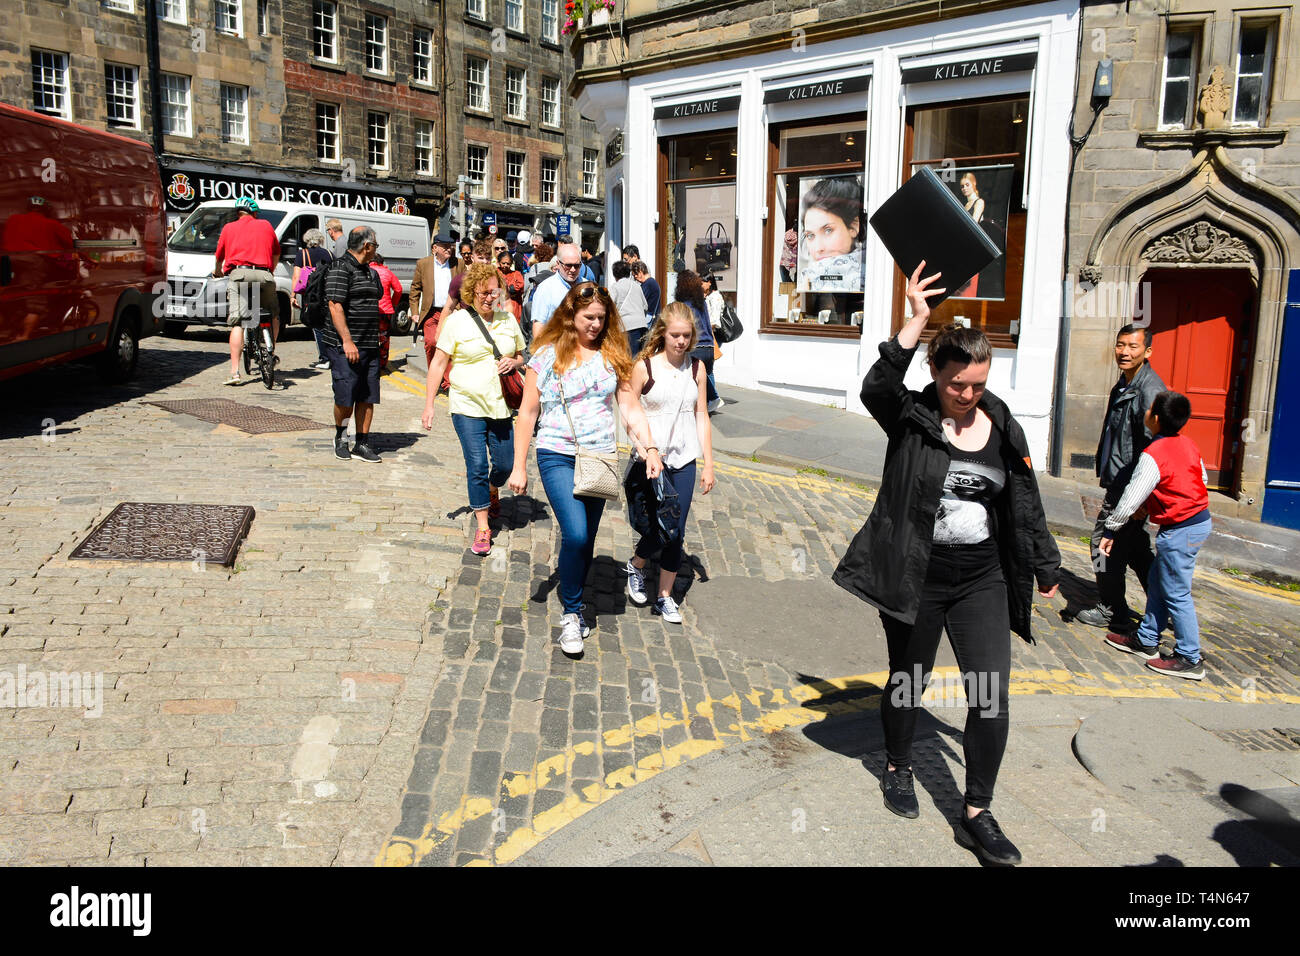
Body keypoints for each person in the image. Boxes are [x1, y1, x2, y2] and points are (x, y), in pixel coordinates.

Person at [832, 261, 1061, 866]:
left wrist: (1043, 565)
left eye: (977, 385)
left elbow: (1022, 496)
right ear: (935, 373)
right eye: (957, 384)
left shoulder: (1002, 420)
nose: (967, 395)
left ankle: (977, 812)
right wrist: (915, 322)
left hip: (981, 576)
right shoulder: (911, 415)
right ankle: (900, 764)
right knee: (909, 681)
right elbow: (876, 388)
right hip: (918, 574)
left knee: (991, 697)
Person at [506, 282, 660, 656]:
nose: (595, 324)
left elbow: (630, 407)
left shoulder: (612, 355)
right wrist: (518, 466)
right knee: (575, 535)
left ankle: (573, 588)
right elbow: (527, 413)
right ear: (571, 315)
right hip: (556, 452)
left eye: (601, 319)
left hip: (600, 457)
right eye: (588, 317)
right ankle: (572, 614)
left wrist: (649, 446)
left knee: (586, 540)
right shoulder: (544, 355)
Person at [1100, 391, 1212, 680]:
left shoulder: (1154, 454)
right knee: (1158, 582)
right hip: (1196, 522)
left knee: (1177, 592)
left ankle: (1190, 657)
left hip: (1181, 529)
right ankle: (1147, 639)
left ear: (1157, 419)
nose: (1147, 412)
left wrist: (1112, 527)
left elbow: (1130, 498)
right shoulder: (1187, 444)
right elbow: (1202, 479)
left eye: (1150, 409)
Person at [422, 263, 528, 556]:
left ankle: (494, 489)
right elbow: (439, 364)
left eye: (494, 292)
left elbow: (521, 355)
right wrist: (429, 404)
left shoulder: (508, 320)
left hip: (500, 405)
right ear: (471, 293)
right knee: (477, 465)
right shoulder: (457, 321)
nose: (489, 298)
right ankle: (483, 527)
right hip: (465, 403)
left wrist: (514, 363)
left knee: (504, 464)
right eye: (483, 293)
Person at [625, 302, 716, 623]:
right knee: (654, 527)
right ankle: (636, 564)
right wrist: (644, 448)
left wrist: (708, 462)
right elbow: (629, 415)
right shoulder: (645, 368)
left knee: (675, 529)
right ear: (662, 333)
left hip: (684, 459)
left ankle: (664, 596)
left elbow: (702, 414)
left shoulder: (697, 369)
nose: (680, 341)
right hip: (650, 460)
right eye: (675, 335)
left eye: (686, 336)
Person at [1078, 324, 1167, 632]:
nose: (1125, 352)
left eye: (1133, 346)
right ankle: (1165, 607)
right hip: (1121, 481)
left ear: (1147, 352)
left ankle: (1112, 609)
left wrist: (1141, 497)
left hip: (1129, 488)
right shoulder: (1126, 382)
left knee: (1101, 545)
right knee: (1137, 550)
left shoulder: (1149, 390)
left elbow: (1155, 446)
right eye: (1120, 345)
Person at [323, 226, 384, 463]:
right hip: (345, 345)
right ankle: (341, 437)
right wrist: (347, 341)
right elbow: (335, 305)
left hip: (370, 343)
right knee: (345, 395)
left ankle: (362, 442)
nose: (376, 249)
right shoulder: (340, 268)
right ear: (367, 246)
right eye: (375, 245)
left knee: (368, 395)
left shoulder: (371, 272)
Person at [212, 196, 280, 387]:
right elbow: (276, 252)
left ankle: (234, 372)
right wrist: (269, 272)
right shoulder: (266, 225)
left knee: (238, 322)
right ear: (254, 213)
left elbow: (219, 256)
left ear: (238, 213)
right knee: (273, 314)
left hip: (239, 274)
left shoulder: (228, 228)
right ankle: (270, 352)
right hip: (264, 274)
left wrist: (217, 271)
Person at [410, 235, 465, 390]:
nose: (449, 249)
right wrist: (415, 311)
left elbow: (466, 285)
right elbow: (415, 289)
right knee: (431, 343)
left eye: (450, 246)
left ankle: (447, 383)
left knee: (450, 346)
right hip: (431, 312)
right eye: (445, 246)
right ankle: (436, 376)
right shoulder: (423, 264)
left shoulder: (458, 263)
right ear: (435, 248)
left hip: (452, 311)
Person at [798, 177, 865, 293]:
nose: (819, 248)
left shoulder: (869, 275)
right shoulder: (812, 277)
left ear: (854, 226)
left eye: (828, 230)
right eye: (810, 236)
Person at [674, 270, 721, 413]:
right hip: (708, 346)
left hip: (696, 347)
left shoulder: (684, 305)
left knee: (690, 380)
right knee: (706, 375)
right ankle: (711, 399)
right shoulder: (702, 303)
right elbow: (707, 324)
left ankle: (700, 405)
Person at [291, 227, 333, 371]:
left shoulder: (302, 254)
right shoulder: (328, 253)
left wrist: (293, 295)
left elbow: (296, 277)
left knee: (317, 326)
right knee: (329, 324)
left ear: (306, 240)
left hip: (311, 294)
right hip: (327, 292)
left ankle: (325, 358)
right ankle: (333, 356)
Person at [529, 240, 583, 334]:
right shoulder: (545, 288)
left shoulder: (586, 285)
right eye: (568, 265)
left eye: (577, 265)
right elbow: (538, 325)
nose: (573, 269)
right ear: (558, 264)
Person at [369, 252, 402, 372]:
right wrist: (393, 303)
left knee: (370, 336)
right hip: (386, 310)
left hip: (369, 309)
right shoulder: (388, 272)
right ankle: (382, 362)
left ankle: (370, 362)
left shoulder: (367, 270)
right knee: (384, 337)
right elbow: (398, 289)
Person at [611, 260, 650, 355]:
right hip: (642, 326)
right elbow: (645, 306)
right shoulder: (637, 286)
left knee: (629, 357)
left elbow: (609, 306)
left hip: (627, 327)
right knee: (639, 356)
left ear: (615, 274)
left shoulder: (615, 287)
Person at [495, 249, 525, 323]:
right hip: (498, 305)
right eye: (503, 263)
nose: (505, 265)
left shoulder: (516, 274)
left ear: (511, 264)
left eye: (508, 263)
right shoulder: (494, 273)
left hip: (514, 306)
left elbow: (520, 286)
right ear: (499, 263)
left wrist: (509, 289)